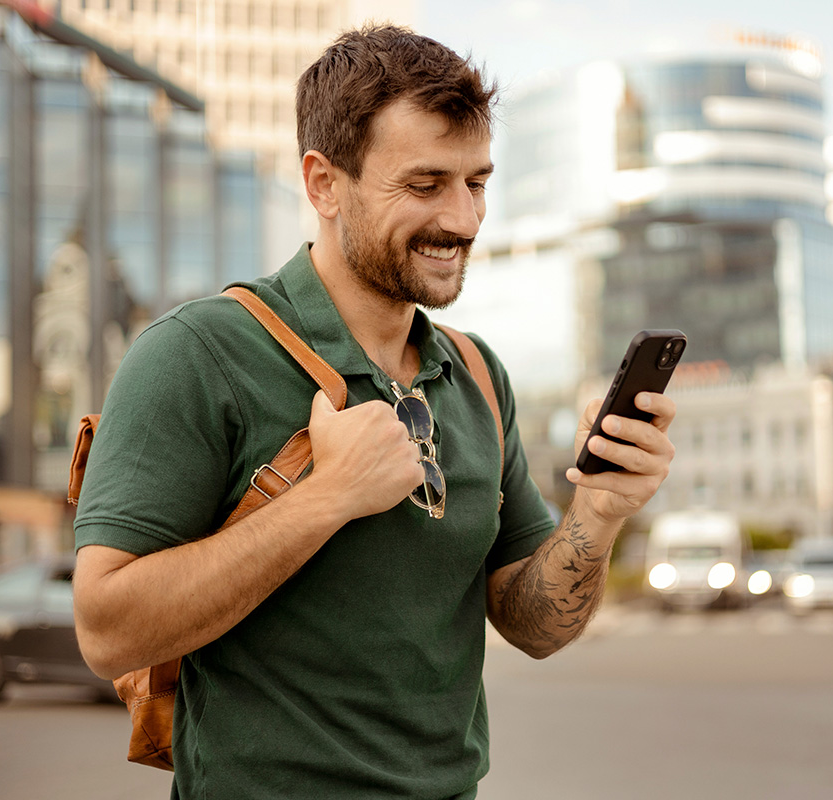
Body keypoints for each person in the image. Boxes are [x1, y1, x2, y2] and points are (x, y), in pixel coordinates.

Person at [72, 24, 676, 799]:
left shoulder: (480, 376)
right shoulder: (195, 354)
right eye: (424, 186)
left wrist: (599, 511)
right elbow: (105, 630)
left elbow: (534, 627)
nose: (463, 220)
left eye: (478, 183)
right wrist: (327, 498)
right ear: (324, 183)